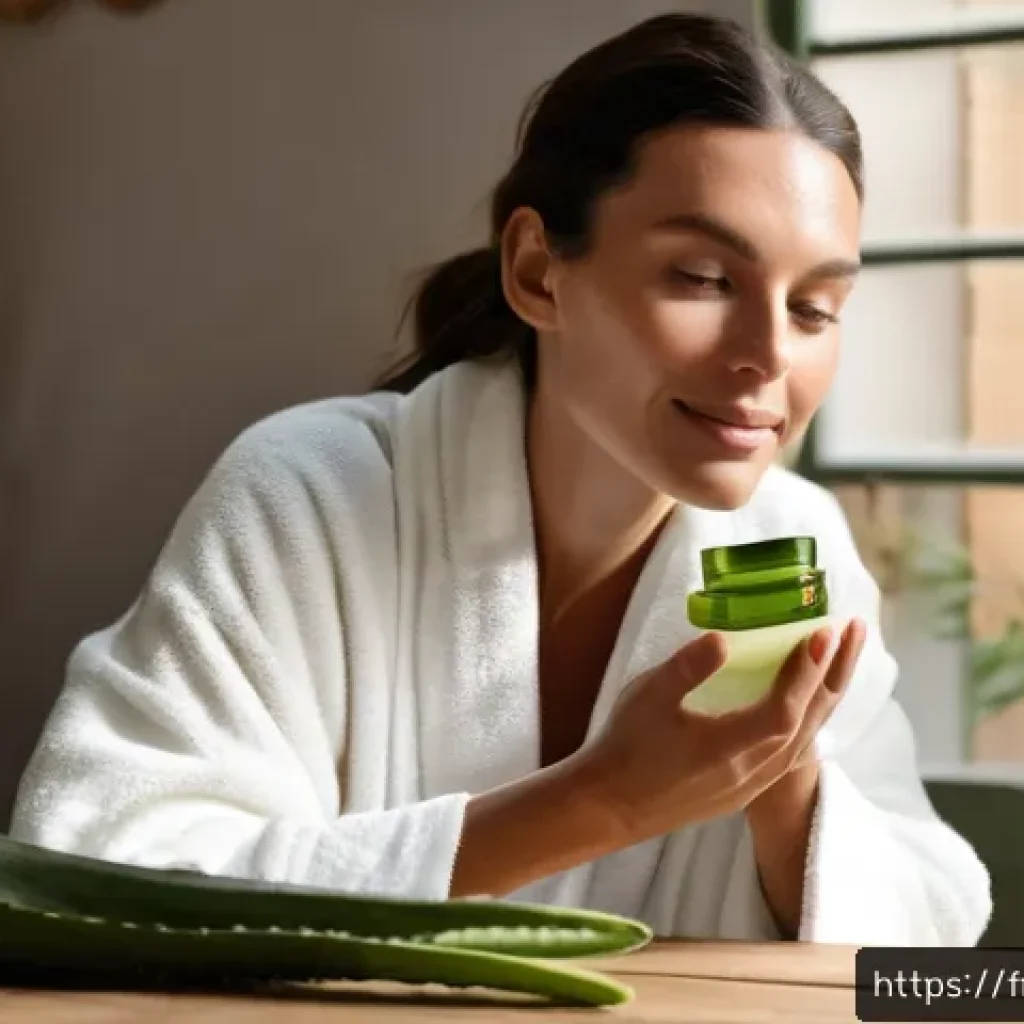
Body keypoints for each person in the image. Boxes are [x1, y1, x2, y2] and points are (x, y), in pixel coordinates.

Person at [11, 13, 990, 945]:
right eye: (701, 278)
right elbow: (93, 874)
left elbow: (937, 930)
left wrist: (783, 787)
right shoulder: (310, 494)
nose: (767, 355)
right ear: (535, 269)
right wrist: (602, 800)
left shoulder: (793, 544)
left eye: (815, 307)